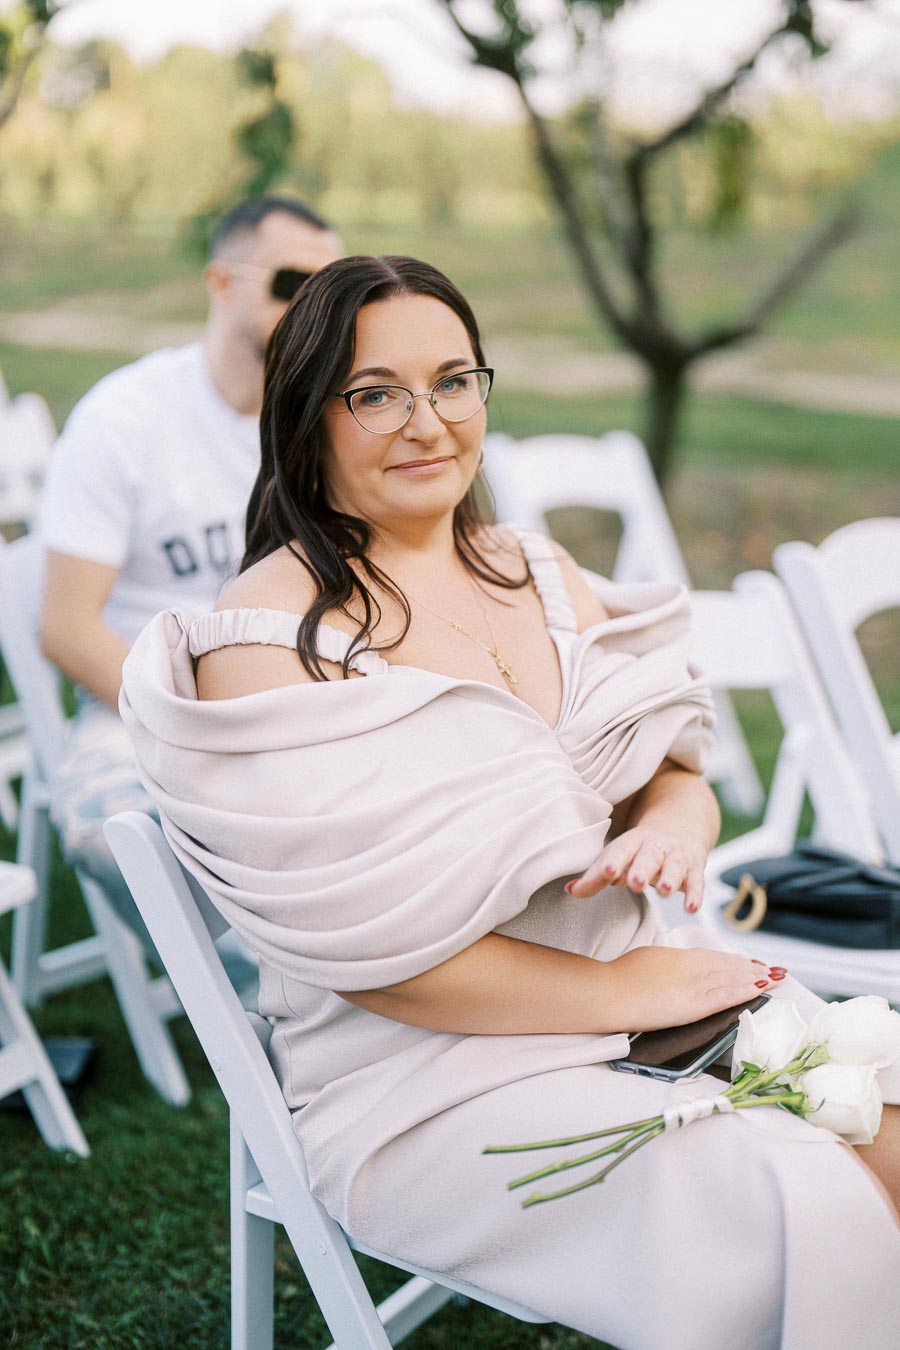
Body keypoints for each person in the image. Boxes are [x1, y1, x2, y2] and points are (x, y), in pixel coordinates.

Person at [120, 254, 900, 1348]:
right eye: (376, 392)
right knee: (803, 1191)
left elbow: (670, 757)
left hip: (648, 998)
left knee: (896, 1117)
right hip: (423, 1083)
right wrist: (628, 985)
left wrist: (680, 819)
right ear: (306, 417)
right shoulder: (265, 644)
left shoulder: (532, 568)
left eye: (453, 380)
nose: (427, 421)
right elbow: (392, 967)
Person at [37, 196, 341, 960]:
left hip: (297, 701)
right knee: (105, 828)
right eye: (291, 280)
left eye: (332, 285)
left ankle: (318, 997)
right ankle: (272, 1003)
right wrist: (202, 724)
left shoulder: (331, 423)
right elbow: (67, 629)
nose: (315, 304)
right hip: (141, 709)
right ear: (220, 282)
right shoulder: (127, 420)